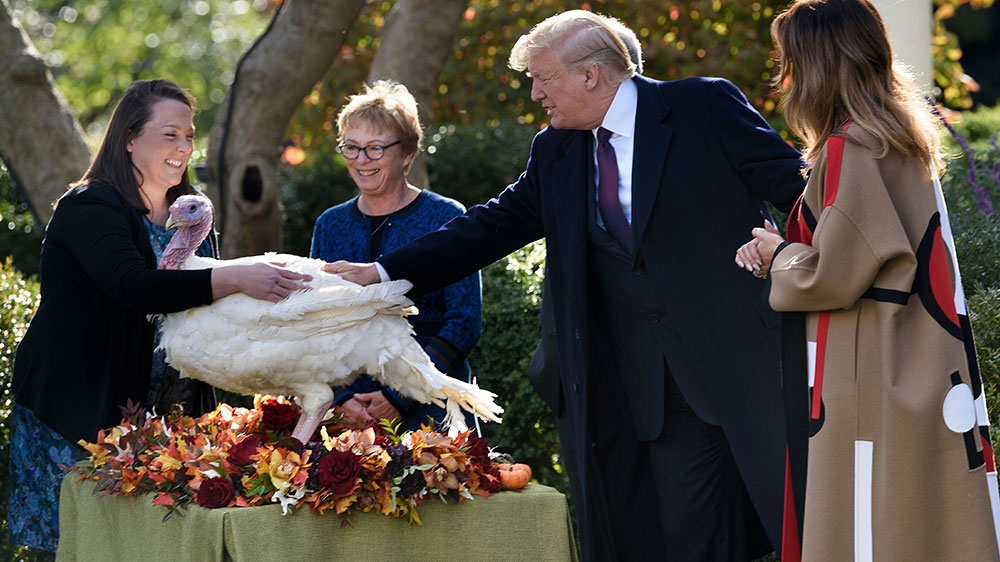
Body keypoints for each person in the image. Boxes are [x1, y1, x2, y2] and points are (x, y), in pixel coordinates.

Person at [326, 10, 805, 562]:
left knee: (802, 520)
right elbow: (489, 226)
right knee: (690, 537)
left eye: (542, 78)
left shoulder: (703, 105)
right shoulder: (557, 150)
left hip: (751, 364)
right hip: (660, 389)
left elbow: (798, 187)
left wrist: (797, 257)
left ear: (590, 75)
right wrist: (382, 272)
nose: (535, 94)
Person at [734, 1, 1000, 561]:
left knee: (864, 526)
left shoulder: (851, 147)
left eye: (789, 61)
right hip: (925, 356)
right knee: (917, 521)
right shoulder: (900, 136)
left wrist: (778, 254)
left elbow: (835, 276)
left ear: (818, 66)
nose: (783, 78)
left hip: (869, 368)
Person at [7, 79, 311, 553]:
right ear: (129, 138)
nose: (184, 147)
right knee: (85, 546)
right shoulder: (89, 206)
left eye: (189, 135)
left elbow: (203, 307)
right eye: (170, 134)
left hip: (168, 412)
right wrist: (235, 277)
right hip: (79, 411)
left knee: (157, 547)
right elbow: (134, 287)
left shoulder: (191, 212)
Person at [310, 80, 482, 433]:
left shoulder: (447, 217)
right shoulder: (329, 224)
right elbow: (316, 322)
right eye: (352, 147)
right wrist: (341, 398)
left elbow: (465, 321)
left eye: (375, 148)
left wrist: (401, 394)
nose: (361, 160)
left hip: (433, 411)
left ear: (407, 153)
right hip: (350, 417)